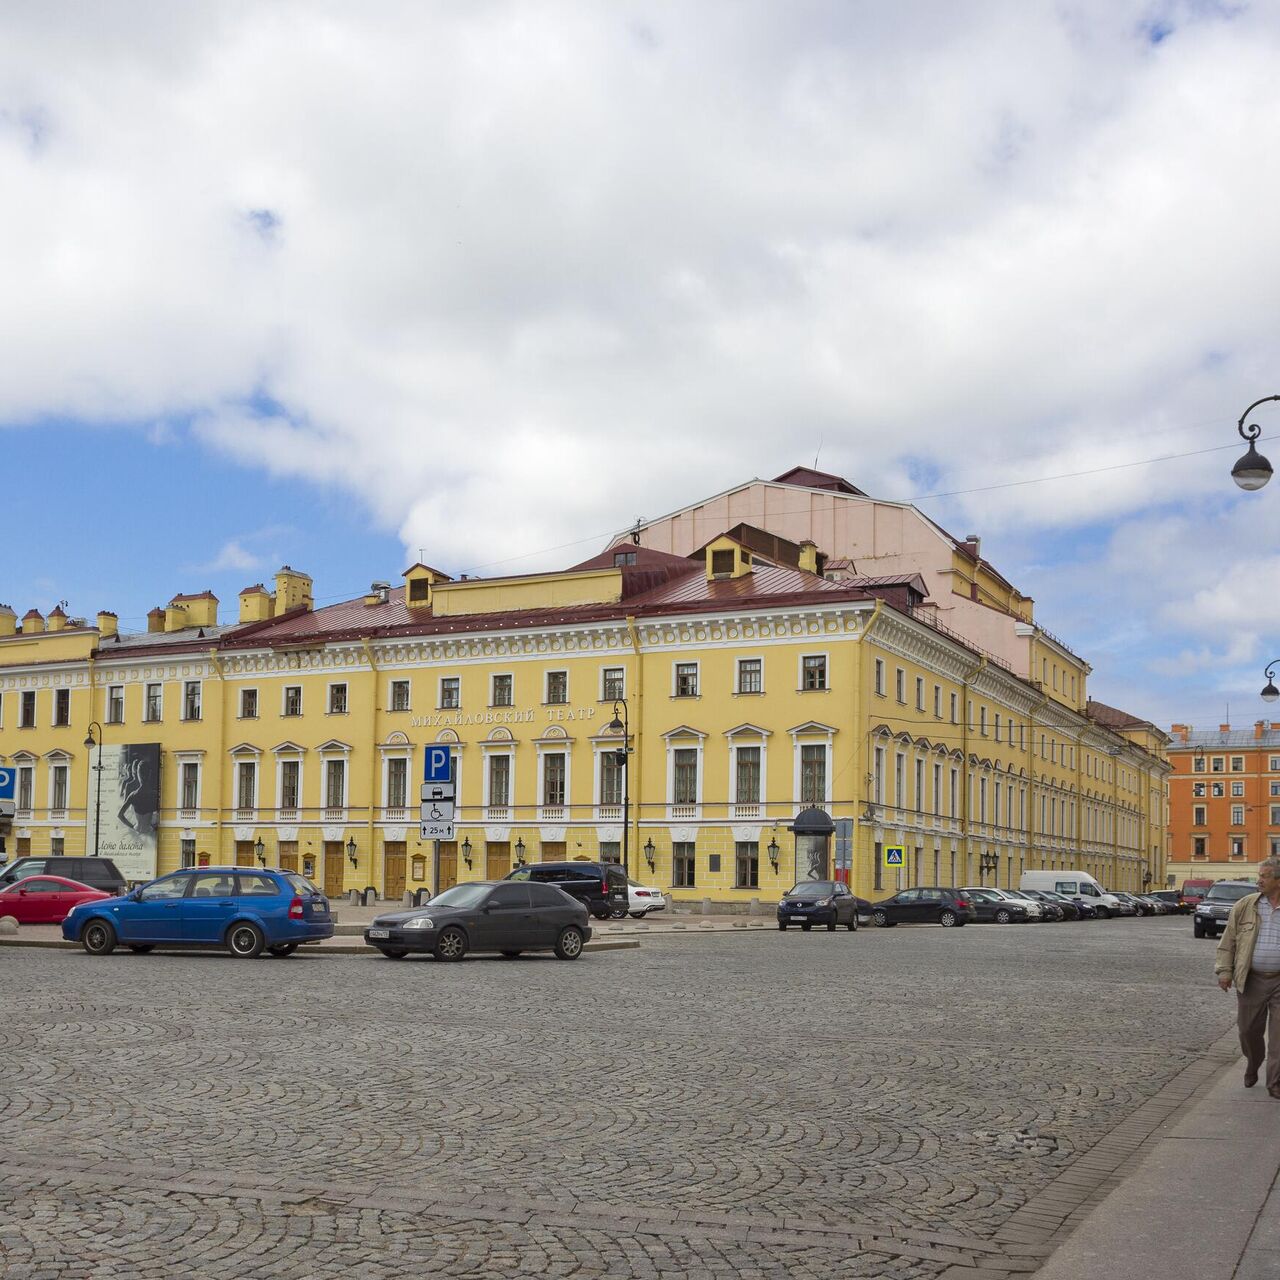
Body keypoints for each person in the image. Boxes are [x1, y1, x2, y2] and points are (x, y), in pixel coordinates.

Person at [1216, 857, 1280, 1096]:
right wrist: (1225, 971)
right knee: (1248, 1031)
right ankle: (1253, 1063)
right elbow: (1228, 942)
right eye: (1259, 876)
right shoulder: (1246, 905)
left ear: (1278, 881)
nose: (1259, 880)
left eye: (1264, 876)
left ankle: (1275, 1083)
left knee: (1279, 1038)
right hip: (1252, 979)